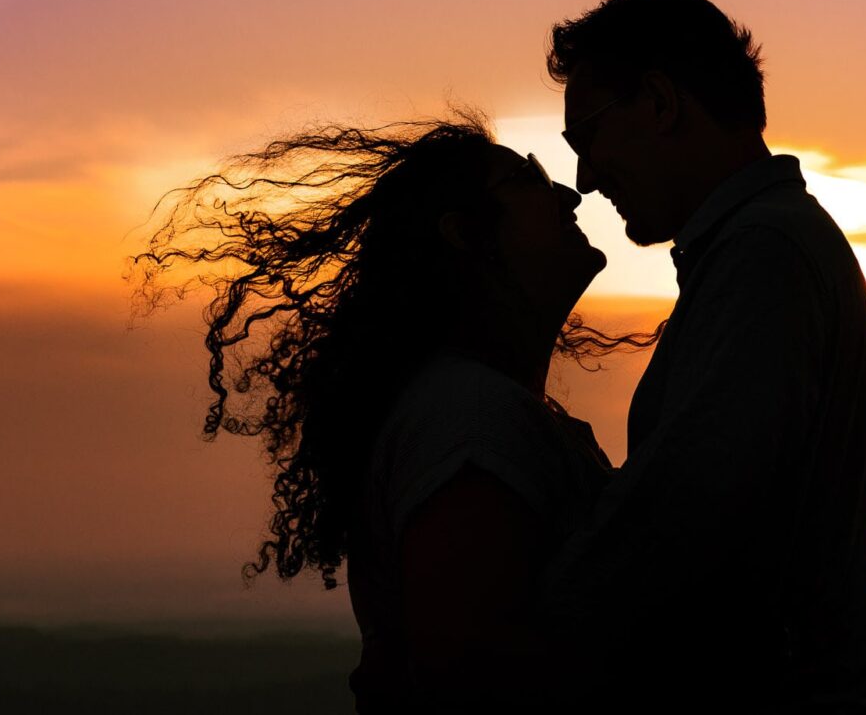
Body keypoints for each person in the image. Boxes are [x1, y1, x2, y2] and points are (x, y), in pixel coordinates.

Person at [133, 112, 651, 712]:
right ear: (465, 234)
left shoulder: (475, 408)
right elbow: (474, 672)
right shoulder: (471, 420)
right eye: (528, 178)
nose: (565, 192)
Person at [539, 0, 866, 713]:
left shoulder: (764, 256)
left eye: (586, 137)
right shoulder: (764, 248)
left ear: (659, 103)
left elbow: (681, 518)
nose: (586, 179)